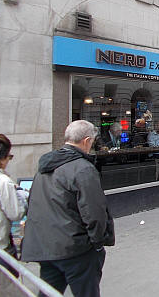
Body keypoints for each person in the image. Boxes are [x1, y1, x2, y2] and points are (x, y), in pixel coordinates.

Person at [21, 120, 114, 297]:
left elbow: (33, 202)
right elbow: (94, 213)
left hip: (47, 246)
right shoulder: (83, 169)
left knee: (48, 292)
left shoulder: (44, 166)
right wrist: (97, 243)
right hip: (75, 248)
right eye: (92, 142)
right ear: (86, 141)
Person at [0, 134, 28, 277]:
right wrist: (23, 198)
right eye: (9, 157)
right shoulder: (2, 182)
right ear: (1, 160)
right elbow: (16, 213)